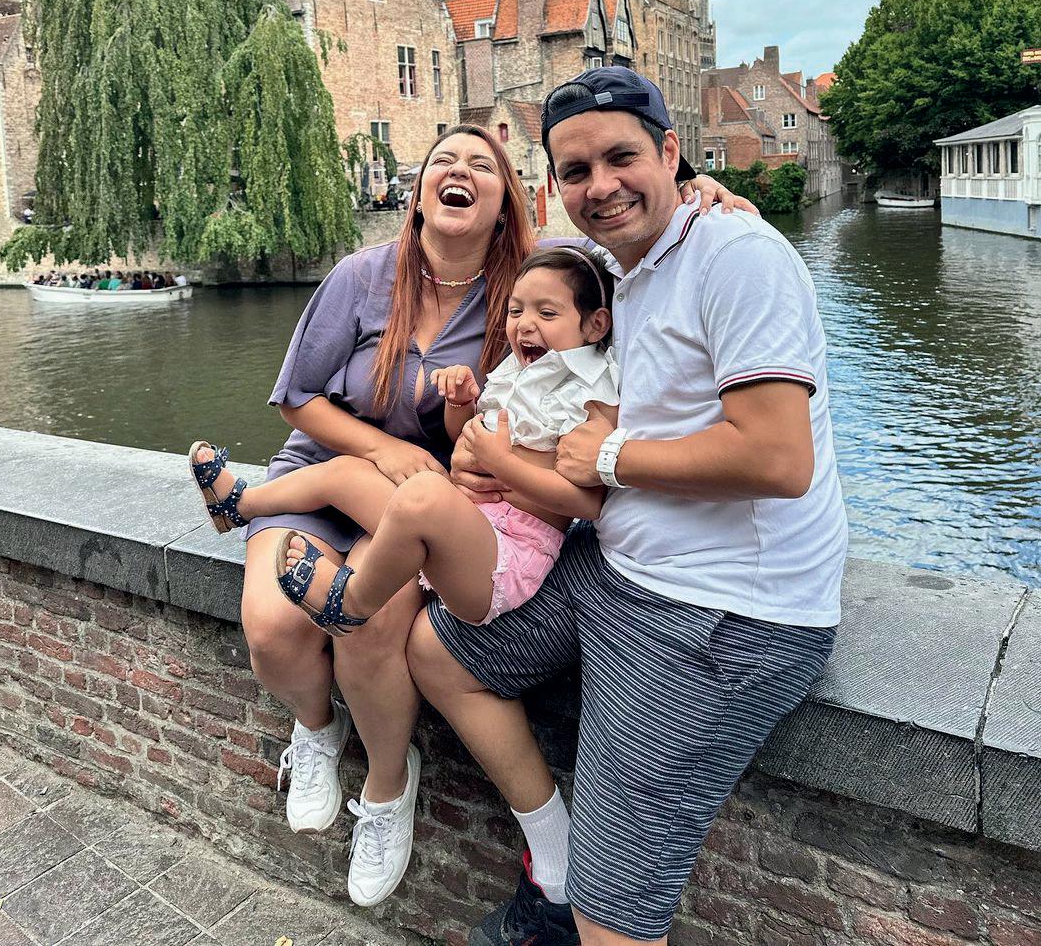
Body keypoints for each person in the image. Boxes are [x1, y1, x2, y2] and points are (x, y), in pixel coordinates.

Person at [232, 123, 749, 912]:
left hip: (435, 501)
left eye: (483, 164)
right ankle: (314, 728)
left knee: (377, 622)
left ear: (509, 201)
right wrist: (386, 449)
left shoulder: (529, 285)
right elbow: (295, 398)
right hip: (335, 472)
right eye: (443, 160)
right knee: (272, 626)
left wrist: (695, 199)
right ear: (417, 195)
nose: (459, 171)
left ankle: (388, 786)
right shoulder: (361, 276)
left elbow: (623, 255)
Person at [408, 67, 849, 946]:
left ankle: (582, 899)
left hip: (721, 611)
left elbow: (778, 457)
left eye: (622, 159)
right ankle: (552, 856)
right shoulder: (616, 267)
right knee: (436, 650)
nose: (601, 186)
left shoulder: (740, 256)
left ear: (671, 153)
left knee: (611, 918)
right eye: (576, 172)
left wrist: (607, 457)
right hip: (613, 570)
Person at [189, 246, 619, 637]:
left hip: (499, 561)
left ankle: (350, 603)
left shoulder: (592, 395)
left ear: (595, 324)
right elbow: (464, 438)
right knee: (348, 472)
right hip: (462, 520)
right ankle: (239, 506)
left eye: (547, 314)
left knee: (424, 493)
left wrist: (502, 464)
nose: (524, 324)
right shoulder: (517, 372)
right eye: (515, 311)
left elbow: (587, 503)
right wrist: (460, 403)